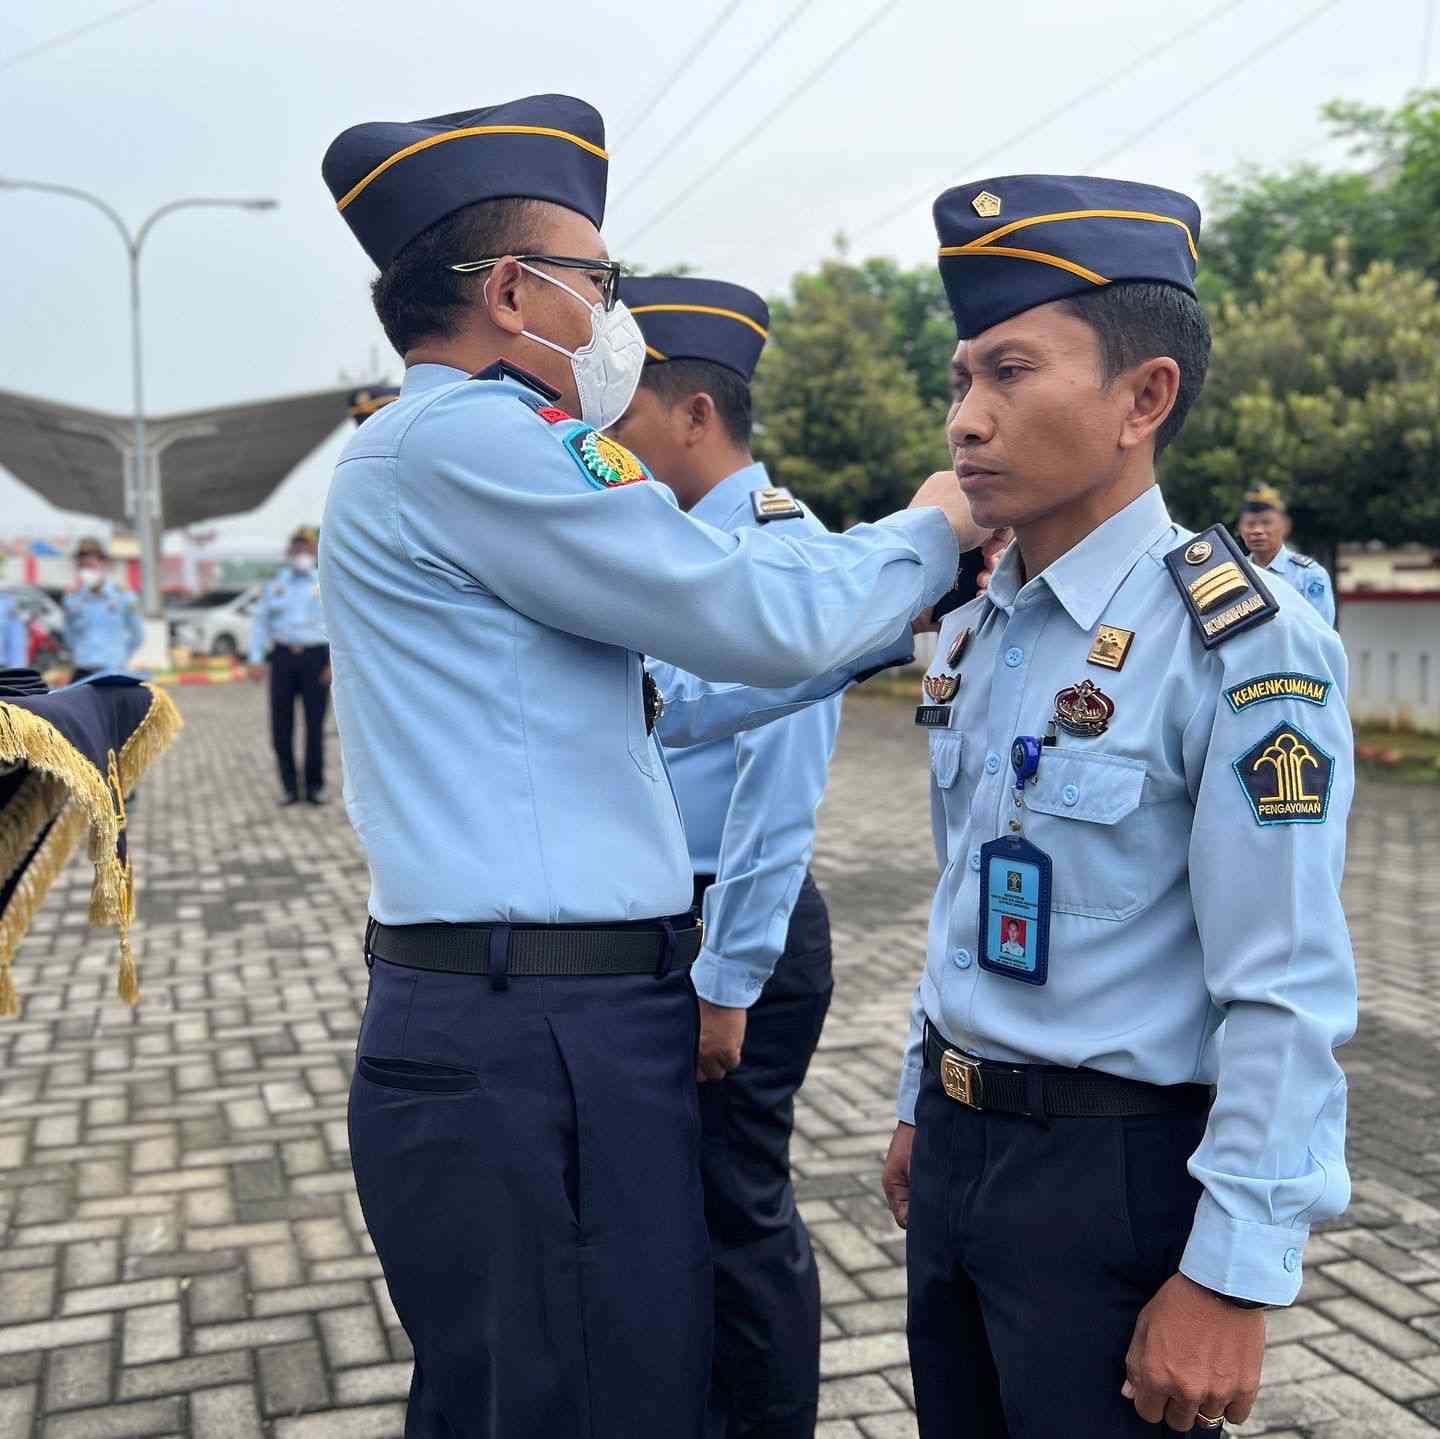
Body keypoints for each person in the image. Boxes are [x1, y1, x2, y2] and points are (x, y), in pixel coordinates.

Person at [319, 93, 985, 1439]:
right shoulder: (484, 441)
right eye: (598, 282)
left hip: (533, 1018)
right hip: (538, 1032)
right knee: (587, 1394)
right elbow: (752, 612)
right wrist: (931, 529)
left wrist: (887, 614)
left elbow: (674, 697)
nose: (614, 315)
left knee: (557, 1377)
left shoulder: (442, 456)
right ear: (514, 291)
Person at [880, 175, 1357, 1438]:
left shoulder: (1241, 644)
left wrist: (1230, 1270)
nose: (966, 422)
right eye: (961, 378)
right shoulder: (985, 628)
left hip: (1122, 1179)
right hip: (965, 1152)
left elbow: (1287, 978)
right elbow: (965, 892)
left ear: (1144, 398)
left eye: (1011, 373)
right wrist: (923, 1094)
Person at [612, 275, 838, 1439]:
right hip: (667, 916)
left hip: (733, 929)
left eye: (628, 410)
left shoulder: (778, 556)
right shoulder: (656, 549)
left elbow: (776, 799)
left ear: (694, 414)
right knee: (681, 1208)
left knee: (739, 1207)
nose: (608, 435)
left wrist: (727, 980)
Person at [248, 526, 330, 805]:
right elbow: (261, 622)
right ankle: (289, 788)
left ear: (315, 551)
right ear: (289, 551)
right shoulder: (276, 585)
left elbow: (338, 625)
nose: (301, 553)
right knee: (281, 727)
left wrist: (334, 662)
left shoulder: (326, 582)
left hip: (316, 659)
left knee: (315, 726)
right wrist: (256, 659)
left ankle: (315, 786)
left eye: (306, 548)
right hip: (283, 658)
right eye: (297, 548)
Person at [1237, 484, 1336, 626]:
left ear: (1285, 526)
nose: (1257, 530)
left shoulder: (1308, 574)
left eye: (1266, 523)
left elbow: (1321, 630)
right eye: (1250, 524)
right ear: (1240, 529)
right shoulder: (1236, 573)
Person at [63, 538, 143, 680]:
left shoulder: (123, 597)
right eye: (83, 567)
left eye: (91, 565)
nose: (87, 571)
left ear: (103, 564)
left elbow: (137, 635)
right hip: (83, 671)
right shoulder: (72, 600)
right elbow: (69, 636)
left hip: (113, 671)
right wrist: (81, 654)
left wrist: (120, 657)